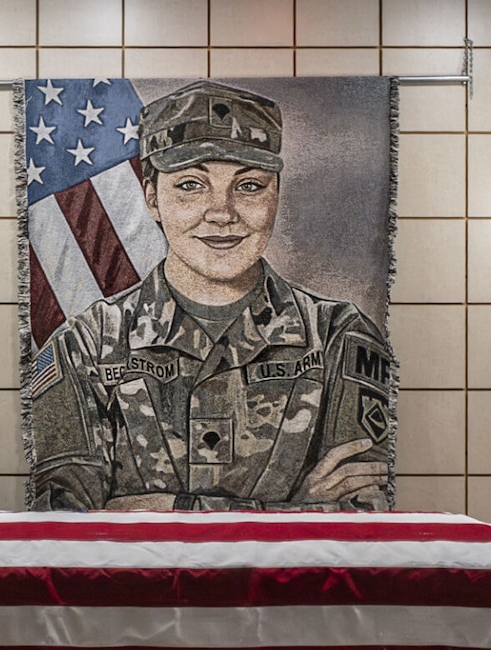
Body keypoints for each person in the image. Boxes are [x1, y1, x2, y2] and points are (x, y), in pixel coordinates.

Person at [29, 80, 393, 511]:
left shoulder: (337, 338)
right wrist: (298, 510)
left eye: (249, 186)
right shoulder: (85, 346)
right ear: (152, 199)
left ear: (276, 195)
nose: (222, 213)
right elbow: (67, 526)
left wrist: (161, 507)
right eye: (190, 185)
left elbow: (362, 520)